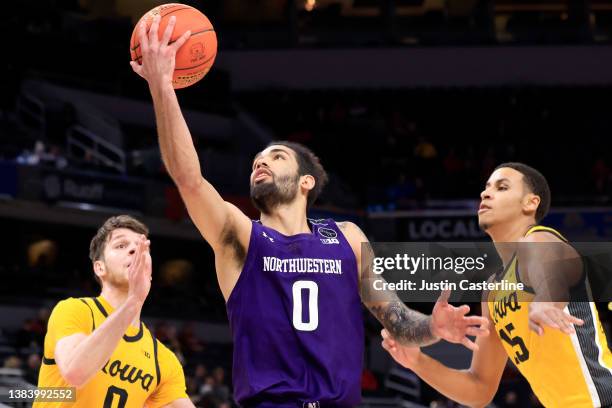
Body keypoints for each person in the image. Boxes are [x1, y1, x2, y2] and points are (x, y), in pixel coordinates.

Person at [130, 15, 489, 407]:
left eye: (276, 156)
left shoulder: (348, 237)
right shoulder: (242, 236)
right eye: (256, 161)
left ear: (306, 182)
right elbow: (189, 179)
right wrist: (163, 86)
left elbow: (398, 321)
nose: (260, 164)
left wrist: (434, 327)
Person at [382, 163, 612, 407]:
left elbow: (551, 270)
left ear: (530, 203)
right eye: (486, 187)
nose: (486, 193)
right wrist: (417, 361)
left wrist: (545, 301)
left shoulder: (540, 238)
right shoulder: (493, 290)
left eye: (502, 187)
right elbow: (479, 388)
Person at [35, 215, 194, 407]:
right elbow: (75, 372)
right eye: (121, 245)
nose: (134, 250)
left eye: (142, 247)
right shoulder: (75, 310)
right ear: (99, 267)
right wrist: (134, 300)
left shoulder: (163, 359)